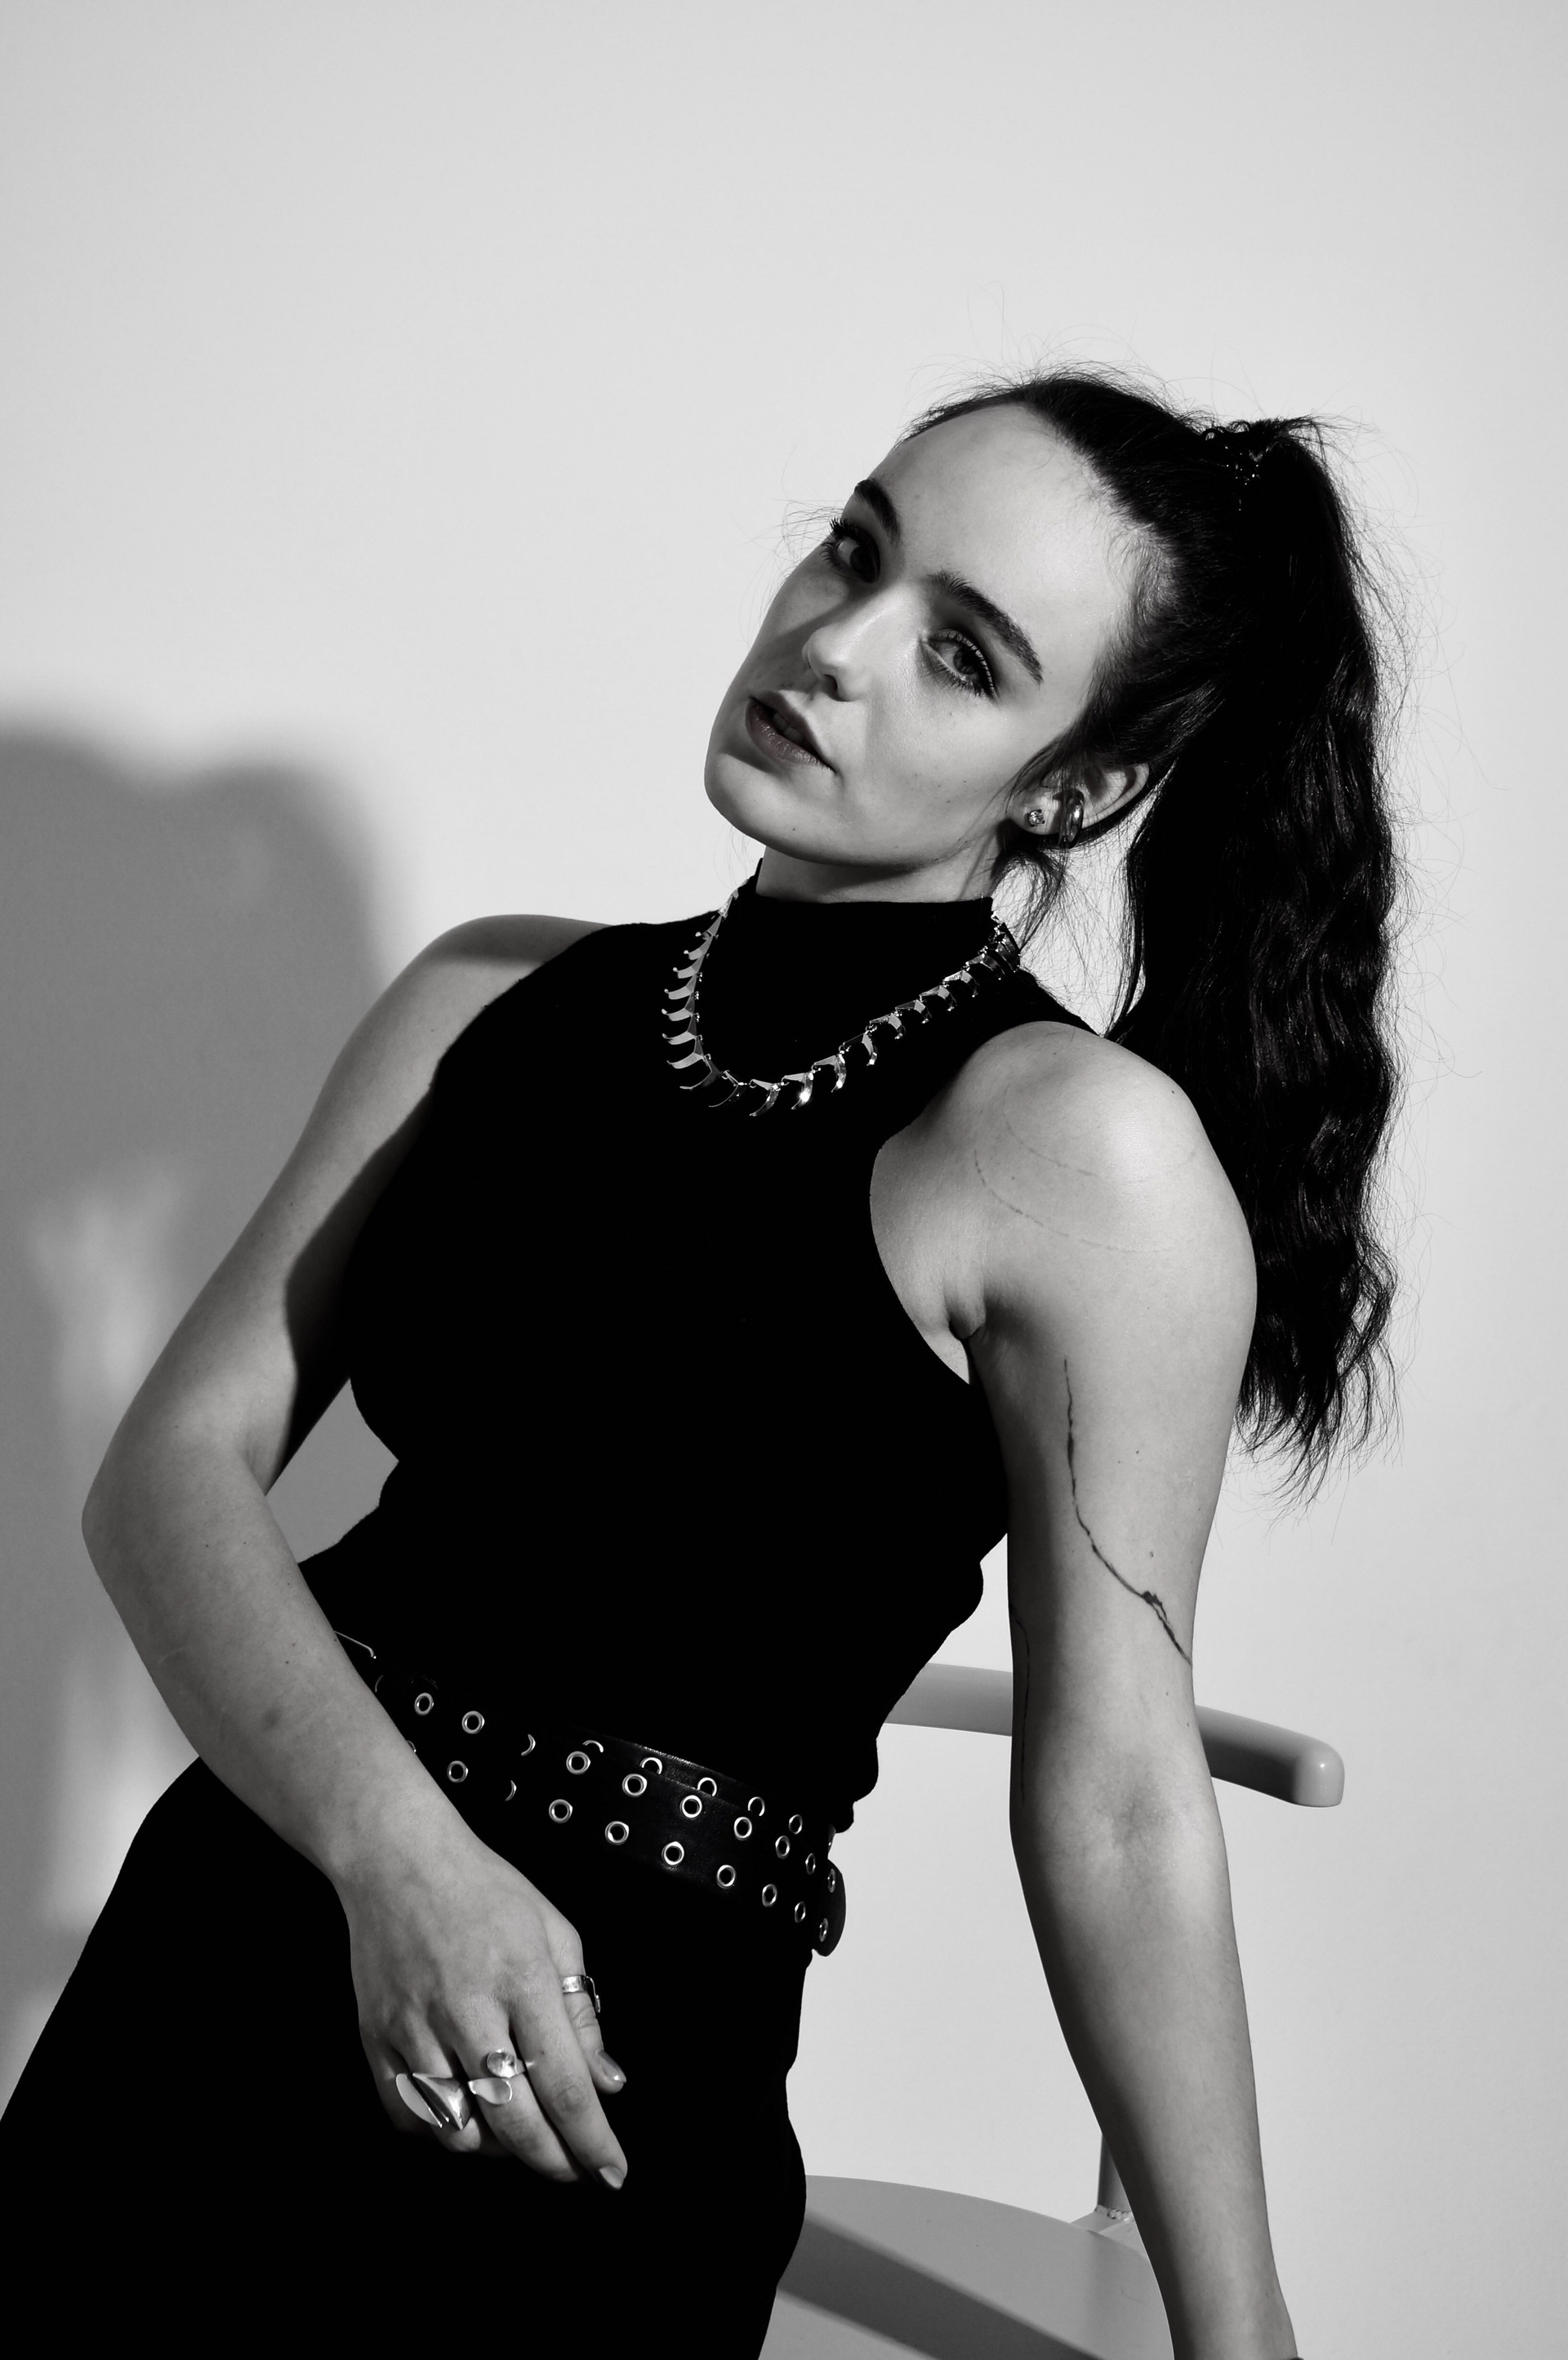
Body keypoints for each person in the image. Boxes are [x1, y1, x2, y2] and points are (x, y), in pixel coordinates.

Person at [1, 371, 1398, 2360]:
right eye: (854, 550)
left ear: (1077, 786)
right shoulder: (489, 993)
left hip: (605, 2076)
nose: (833, 646)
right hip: (235, 1932)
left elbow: (1117, 1798)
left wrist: (1237, 2334)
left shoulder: (1076, 1152)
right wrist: (401, 1860)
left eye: (962, 654)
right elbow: (169, 1471)